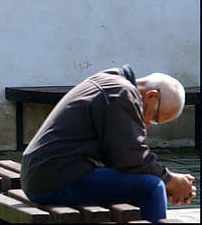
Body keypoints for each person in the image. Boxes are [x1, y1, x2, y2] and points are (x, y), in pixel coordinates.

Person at [20, 65, 196, 222]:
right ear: (151, 96)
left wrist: (169, 179)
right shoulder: (121, 93)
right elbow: (130, 158)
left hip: (43, 174)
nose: (148, 124)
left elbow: (122, 158)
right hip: (56, 179)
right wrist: (169, 180)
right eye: (156, 119)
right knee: (151, 187)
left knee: (147, 182)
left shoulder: (111, 82)